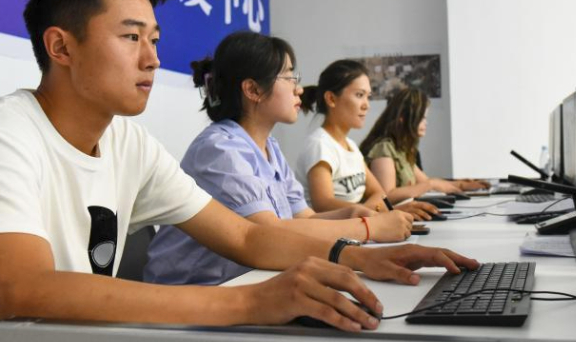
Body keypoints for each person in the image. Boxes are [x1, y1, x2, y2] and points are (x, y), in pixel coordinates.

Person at [0, 0, 480, 342]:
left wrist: (351, 256)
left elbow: (245, 237)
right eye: (131, 37)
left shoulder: (129, 143)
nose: (152, 59)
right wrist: (250, 303)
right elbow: (23, 291)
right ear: (61, 47)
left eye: (154, 38)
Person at [144, 34, 415, 286]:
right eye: (289, 77)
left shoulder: (269, 148)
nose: (299, 90)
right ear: (253, 90)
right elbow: (270, 234)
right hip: (196, 293)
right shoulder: (220, 149)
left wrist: (351, 213)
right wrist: (368, 228)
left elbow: (306, 216)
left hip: (247, 282)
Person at [296, 60, 440, 220]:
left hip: (357, 227)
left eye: (368, 96)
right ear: (331, 99)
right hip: (331, 237)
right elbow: (323, 204)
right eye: (359, 95)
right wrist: (375, 213)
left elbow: (379, 193)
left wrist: (378, 211)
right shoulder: (320, 145)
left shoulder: (350, 146)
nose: (366, 105)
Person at [360, 88, 490, 204]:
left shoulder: (401, 150)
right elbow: (386, 196)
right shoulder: (384, 149)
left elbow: (426, 181)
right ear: (403, 119)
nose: (426, 123)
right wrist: (430, 185)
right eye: (422, 118)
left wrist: (462, 185)